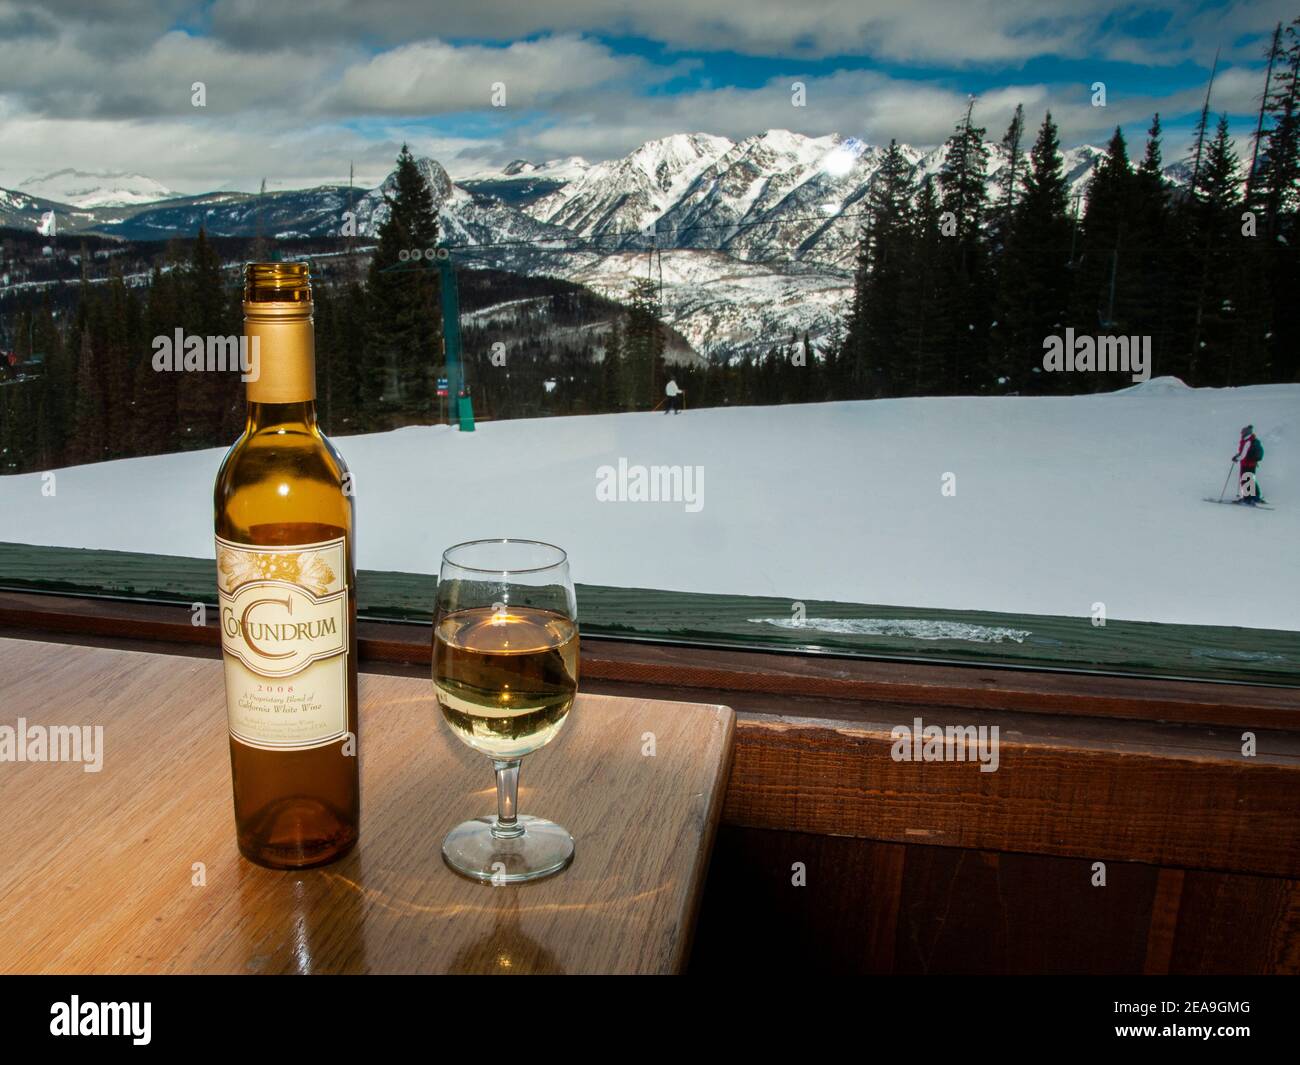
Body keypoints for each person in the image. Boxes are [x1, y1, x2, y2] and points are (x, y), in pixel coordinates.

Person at [1232, 424, 1266, 504]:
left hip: (1247, 464)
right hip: (1251, 464)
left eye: (1242, 432)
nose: (1241, 434)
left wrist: (1236, 458)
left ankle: (1248, 499)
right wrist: (1237, 456)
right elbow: (1244, 453)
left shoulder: (1248, 441)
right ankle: (1255, 497)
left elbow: (1243, 455)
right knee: (1250, 479)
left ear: (1246, 433)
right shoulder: (1251, 440)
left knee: (1246, 480)